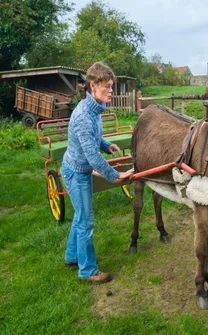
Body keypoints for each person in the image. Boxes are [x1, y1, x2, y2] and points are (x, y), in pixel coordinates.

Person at [61, 61, 134, 284]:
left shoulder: (94, 109)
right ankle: (88, 271)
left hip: (79, 169)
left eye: (112, 86)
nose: (111, 91)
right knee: (86, 220)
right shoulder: (84, 116)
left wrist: (105, 144)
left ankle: (71, 257)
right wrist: (116, 176)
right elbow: (92, 159)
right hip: (76, 173)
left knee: (80, 216)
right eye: (107, 87)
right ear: (92, 86)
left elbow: (94, 139)